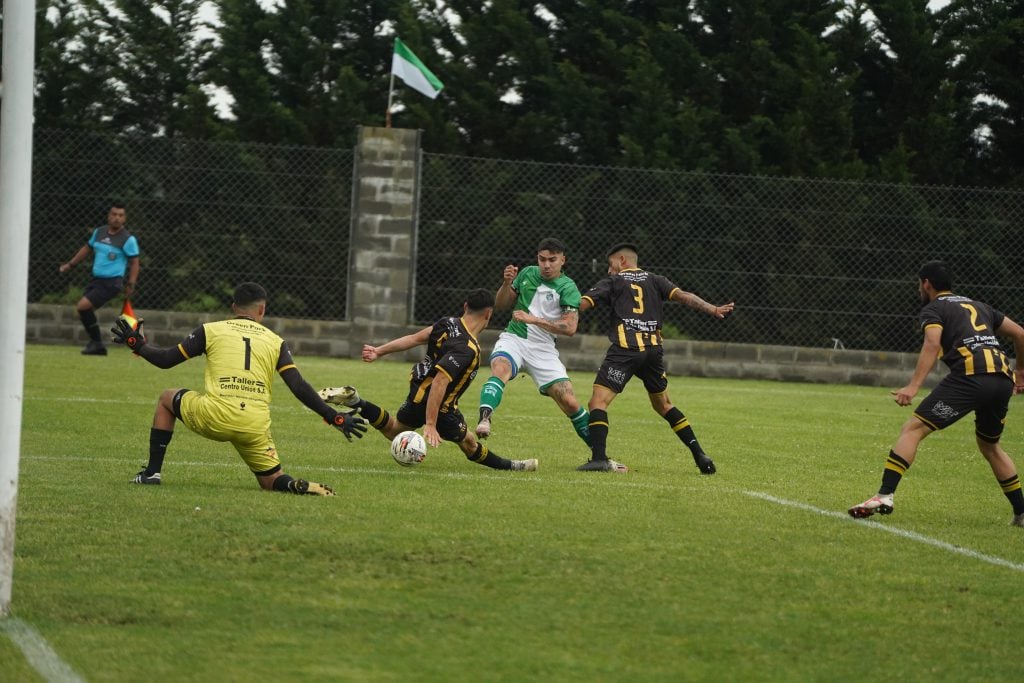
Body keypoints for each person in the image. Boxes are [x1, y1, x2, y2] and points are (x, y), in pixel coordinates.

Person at [110, 282, 367, 496]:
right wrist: (334, 416)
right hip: (254, 424)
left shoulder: (210, 330)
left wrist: (137, 344)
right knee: (270, 480)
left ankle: (151, 473)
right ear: (262, 309)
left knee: (167, 397)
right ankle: (291, 484)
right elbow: (298, 386)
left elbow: (166, 360)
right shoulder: (276, 342)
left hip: (216, 415)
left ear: (233, 308)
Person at [849, 261, 1024, 526]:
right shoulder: (980, 306)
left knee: (913, 429)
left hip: (970, 377)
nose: (919, 288)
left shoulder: (934, 308)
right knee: (990, 445)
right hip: (1001, 379)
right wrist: (1020, 372)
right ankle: (1021, 513)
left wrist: (913, 386)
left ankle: (884, 495)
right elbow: (1021, 334)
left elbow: (932, 342)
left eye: (919, 283)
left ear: (926, 283)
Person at [319, 289, 538, 472]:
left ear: (465, 307)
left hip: (418, 391)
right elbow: (440, 382)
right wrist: (431, 424)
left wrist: (379, 351)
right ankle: (514, 466)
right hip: (440, 405)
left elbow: (414, 338)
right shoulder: (468, 348)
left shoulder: (448, 323)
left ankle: (357, 402)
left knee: (395, 430)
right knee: (469, 444)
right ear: (488, 314)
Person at [576, 243, 735, 473]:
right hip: (653, 351)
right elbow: (685, 297)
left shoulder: (613, 281)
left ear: (622, 260)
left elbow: (583, 303)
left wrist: (564, 306)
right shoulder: (656, 279)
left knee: (598, 402)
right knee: (664, 405)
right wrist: (713, 309)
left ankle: (599, 458)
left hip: (626, 349)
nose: (609, 271)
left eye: (610, 266)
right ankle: (700, 455)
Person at [475, 237, 590, 449]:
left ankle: (600, 455)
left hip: (543, 349)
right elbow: (501, 304)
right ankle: (485, 418)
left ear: (563, 260)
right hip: (515, 339)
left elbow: (570, 327)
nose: (546, 265)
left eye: (552, 260)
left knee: (569, 402)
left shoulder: (567, 286)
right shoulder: (527, 273)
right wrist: (507, 283)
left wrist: (534, 319)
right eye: (542, 259)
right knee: (501, 367)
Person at [60, 202, 140, 355]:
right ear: (109, 216)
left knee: (82, 306)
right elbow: (86, 249)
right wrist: (70, 264)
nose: (117, 218)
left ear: (125, 218)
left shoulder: (128, 239)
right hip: (96, 281)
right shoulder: (99, 232)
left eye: (120, 215)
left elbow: (135, 263)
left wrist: (131, 283)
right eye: (114, 214)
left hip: (112, 282)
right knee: (84, 312)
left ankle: (97, 343)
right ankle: (96, 344)